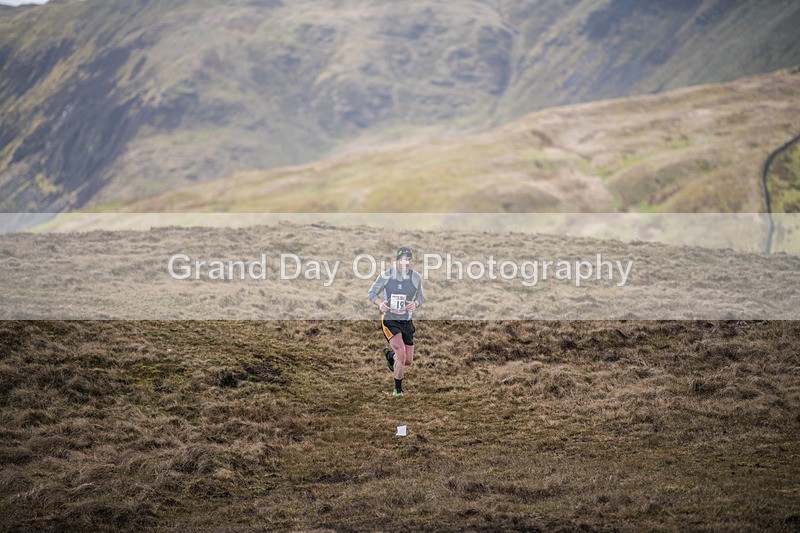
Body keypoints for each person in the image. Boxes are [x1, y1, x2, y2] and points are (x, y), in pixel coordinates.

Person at [367, 246, 425, 397]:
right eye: (405, 259)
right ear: (398, 260)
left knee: (407, 361)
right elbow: (372, 293)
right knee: (400, 352)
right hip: (389, 318)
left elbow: (421, 298)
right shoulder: (386, 276)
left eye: (410, 260)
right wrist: (380, 304)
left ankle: (390, 357)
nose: (408, 263)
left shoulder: (416, 277)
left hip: (406, 320)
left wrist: (415, 304)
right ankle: (397, 390)